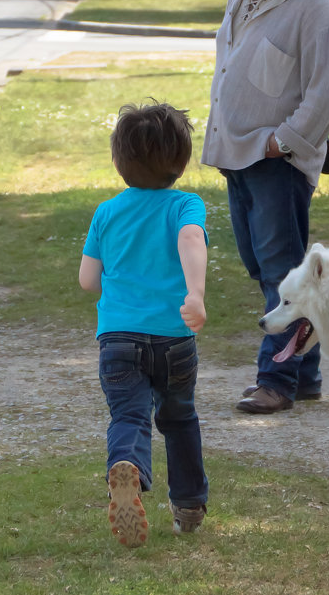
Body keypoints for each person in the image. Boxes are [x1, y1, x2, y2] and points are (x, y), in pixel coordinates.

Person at [201, 0, 329, 415]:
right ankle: (305, 374)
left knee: (282, 275)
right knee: (262, 266)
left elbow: (327, 92)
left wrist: (280, 142)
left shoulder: (317, 7)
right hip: (236, 154)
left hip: (274, 163)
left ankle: (277, 380)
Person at [79, 101, 210, 547]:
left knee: (129, 415)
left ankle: (128, 466)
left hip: (117, 338)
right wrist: (194, 293)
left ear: (119, 161)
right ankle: (189, 504)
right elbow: (191, 238)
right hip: (174, 338)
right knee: (179, 418)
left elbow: (87, 281)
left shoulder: (106, 212)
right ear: (181, 160)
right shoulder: (185, 204)